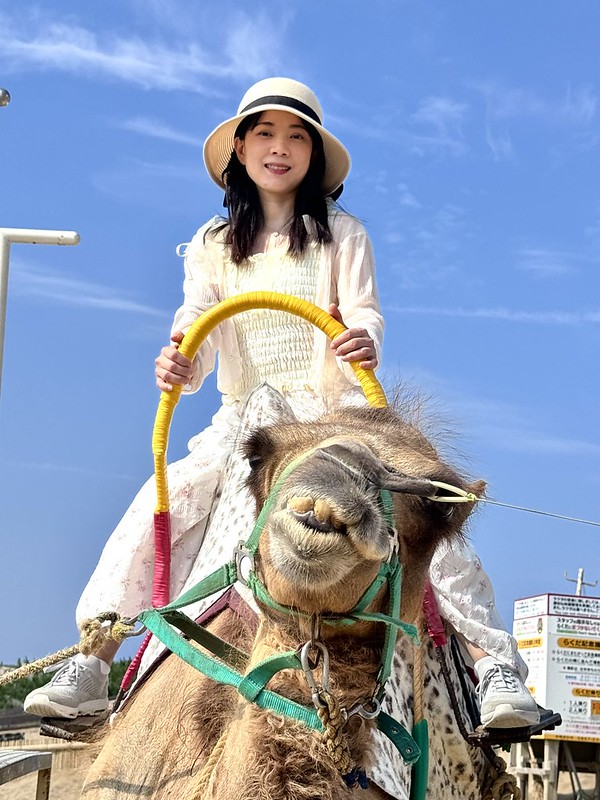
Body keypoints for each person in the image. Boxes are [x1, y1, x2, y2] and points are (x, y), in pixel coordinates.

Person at [24, 78, 538, 740]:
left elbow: (366, 313)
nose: (280, 147)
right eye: (264, 133)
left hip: (336, 416)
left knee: (420, 509)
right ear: (239, 149)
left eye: (297, 136)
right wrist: (179, 361)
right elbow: (197, 330)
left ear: (315, 155)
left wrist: (363, 338)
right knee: (169, 494)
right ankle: (95, 654)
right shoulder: (212, 241)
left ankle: (492, 666)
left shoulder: (342, 233)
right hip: (247, 419)